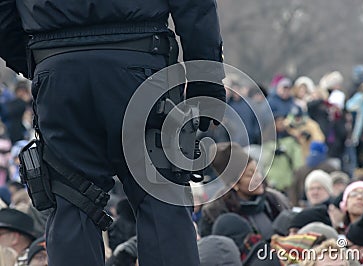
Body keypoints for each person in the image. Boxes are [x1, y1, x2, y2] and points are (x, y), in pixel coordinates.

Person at [0, 1, 225, 266]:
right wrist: (206, 84)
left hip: (58, 69)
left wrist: (41, 62)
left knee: (71, 199)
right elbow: (194, 7)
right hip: (140, 64)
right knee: (162, 200)